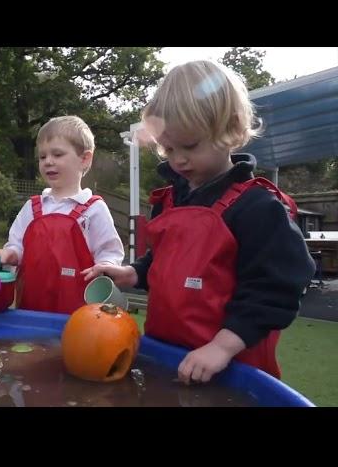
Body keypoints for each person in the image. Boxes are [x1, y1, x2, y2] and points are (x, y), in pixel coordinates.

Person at [82, 60, 315, 382]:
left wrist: (221, 347)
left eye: (190, 146)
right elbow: (164, 263)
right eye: (168, 148)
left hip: (231, 369)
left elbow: (278, 289)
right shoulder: (170, 200)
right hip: (166, 358)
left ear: (231, 129)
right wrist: (132, 273)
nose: (178, 159)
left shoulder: (257, 208)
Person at [0, 115, 124, 314]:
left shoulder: (94, 209)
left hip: (78, 318)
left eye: (58, 154)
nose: (48, 162)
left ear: (84, 159)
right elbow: (17, 244)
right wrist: (10, 254)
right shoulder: (32, 207)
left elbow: (110, 252)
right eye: (42, 157)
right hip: (29, 311)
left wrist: (105, 265)